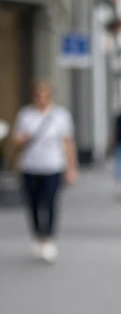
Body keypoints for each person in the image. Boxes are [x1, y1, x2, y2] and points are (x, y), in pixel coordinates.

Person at [11, 81, 77, 263]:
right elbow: (16, 140)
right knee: (32, 203)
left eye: (45, 95)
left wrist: (71, 168)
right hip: (30, 166)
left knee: (49, 202)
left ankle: (48, 238)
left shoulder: (60, 115)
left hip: (53, 166)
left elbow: (68, 142)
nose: (42, 99)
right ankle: (37, 235)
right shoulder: (26, 115)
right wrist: (21, 139)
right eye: (38, 95)